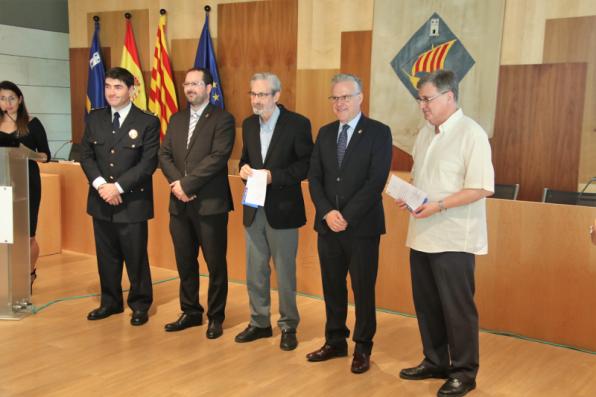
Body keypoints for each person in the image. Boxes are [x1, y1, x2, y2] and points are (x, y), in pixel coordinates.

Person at [397, 70, 494, 397]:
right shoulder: (425, 133)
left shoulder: (472, 134)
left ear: (449, 97)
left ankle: (464, 372)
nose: (422, 106)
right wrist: (410, 196)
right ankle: (435, 360)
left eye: (427, 99)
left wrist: (437, 206)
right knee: (427, 305)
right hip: (421, 234)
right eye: (420, 100)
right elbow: (422, 177)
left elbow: (481, 187)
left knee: (457, 308)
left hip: (454, 238)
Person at [306, 73, 392, 374]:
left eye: (346, 96)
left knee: (363, 289)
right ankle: (335, 341)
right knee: (332, 286)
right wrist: (328, 212)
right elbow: (314, 178)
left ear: (360, 98)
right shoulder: (325, 132)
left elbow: (375, 181)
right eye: (335, 98)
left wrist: (347, 216)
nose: (340, 103)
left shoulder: (379, 133)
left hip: (362, 228)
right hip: (327, 226)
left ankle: (363, 347)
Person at [235, 73, 313, 350]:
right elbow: (245, 159)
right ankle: (259, 323)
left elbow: (306, 164)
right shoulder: (247, 124)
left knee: (285, 272)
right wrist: (241, 169)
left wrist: (274, 177)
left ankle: (289, 326)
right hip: (254, 208)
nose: (256, 100)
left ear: (277, 95)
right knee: (255, 271)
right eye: (253, 94)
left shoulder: (297, 124)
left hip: (284, 210)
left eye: (263, 95)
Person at [158, 68, 235, 339]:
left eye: (196, 83)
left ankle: (215, 316)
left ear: (209, 87)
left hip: (210, 205)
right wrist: (179, 185)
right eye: (187, 84)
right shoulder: (176, 119)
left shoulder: (223, 119)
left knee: (215, 264)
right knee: (185, 262)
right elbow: (164, 154)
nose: (190, 88)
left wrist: (187, 185)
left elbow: (218, 157)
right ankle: (190, 311)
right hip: (179, 205)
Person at [80, 67, 160, 326]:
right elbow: (86, 156)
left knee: (135, 256)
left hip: (132, 201)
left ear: (131, 90)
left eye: (118, 87)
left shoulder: (147, 121)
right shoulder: (95, 118)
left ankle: (140, 304)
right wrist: (103, 185)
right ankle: (110, 302)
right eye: (107, 86)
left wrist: (118, 188)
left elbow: (147, 164)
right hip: (101, 199)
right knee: (106, 255)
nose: (111, 92)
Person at [0, 81, 51, 290]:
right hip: (2, 183)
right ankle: (7, 276)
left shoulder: (32, 123)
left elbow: (46, 156)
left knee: (27, 235)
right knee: (4, 236)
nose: (7, 103)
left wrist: (28, 154)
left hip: (27, 183)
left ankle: (29, 272)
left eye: (12, 98)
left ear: (20, 99)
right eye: (2, 98)